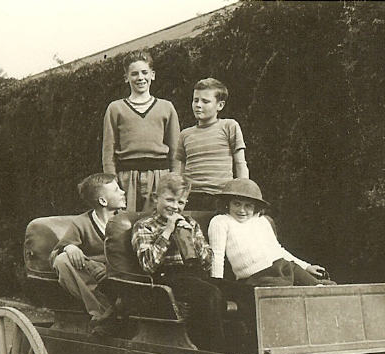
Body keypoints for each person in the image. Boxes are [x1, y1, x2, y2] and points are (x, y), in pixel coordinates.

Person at [131, 173, 226, 352]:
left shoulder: (190, 223)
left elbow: (207, 263)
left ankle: (244, 353)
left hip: (196, 274)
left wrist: (193, 239)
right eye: (170, 200)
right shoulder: (145, 226)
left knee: (241, 292)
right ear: (155, 198)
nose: (175, 207)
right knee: (209, 294)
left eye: (180, 202)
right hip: (167, 277)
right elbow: (148, 265)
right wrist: (167, 232)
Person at [208, 178, 335, 287]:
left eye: (248, 206)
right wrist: (217, 284)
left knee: (320, 287)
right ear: (227, 204)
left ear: (255, 207)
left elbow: (278, 250)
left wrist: (306, 266)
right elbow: (216, 255)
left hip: (282, 267)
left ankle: (317, 287)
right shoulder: (221, 221)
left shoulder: (261, 221)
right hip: (256, 277)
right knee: (283, 289)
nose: (242, 210)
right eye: (236, 204)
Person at [102, 50, 180, 212]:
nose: (140, 78)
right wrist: (112, 181)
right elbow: (108, 150)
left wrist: (174, 179)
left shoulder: (166, 107)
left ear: (153, 75)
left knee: (159, 222)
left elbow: (176, 150)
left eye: (144, 72)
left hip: (160, 175)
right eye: (134, 74)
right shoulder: (116, 108)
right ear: (126, 78)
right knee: (125, 225)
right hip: (127, 177)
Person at [49, 173, 126, 336]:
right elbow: (54, 255)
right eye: (116, 190)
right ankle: (104, 315)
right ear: (103, 201)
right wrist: (69, 247)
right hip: (95, 280)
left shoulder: (126, 221)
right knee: (63, 260)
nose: (123, 192)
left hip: (120, 277)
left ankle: (121, 312)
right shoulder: (82, 223)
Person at [172, 78, 248, 211]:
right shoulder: (185, 134)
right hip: (191, 197)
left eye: (205, 101)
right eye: (195, 100)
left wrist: (243, 194)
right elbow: (179, 172)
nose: (198, 105)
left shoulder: (229, 126)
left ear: (220, 105)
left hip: (220, 196)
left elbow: (240, 164)